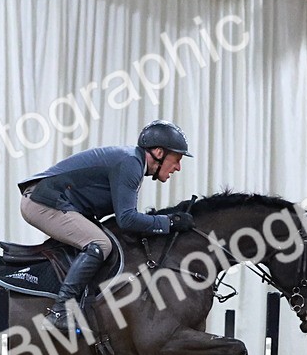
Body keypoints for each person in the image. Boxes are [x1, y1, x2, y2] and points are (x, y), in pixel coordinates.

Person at [18, 120, 196, 329]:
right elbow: (127, 219)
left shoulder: (133, 161)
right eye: (177, 159)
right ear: (158, 152)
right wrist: (169, 222)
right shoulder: (131, 163)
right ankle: (60, 311)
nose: (178, 167)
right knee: (100, 244)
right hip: (41, 202)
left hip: (53, 201)